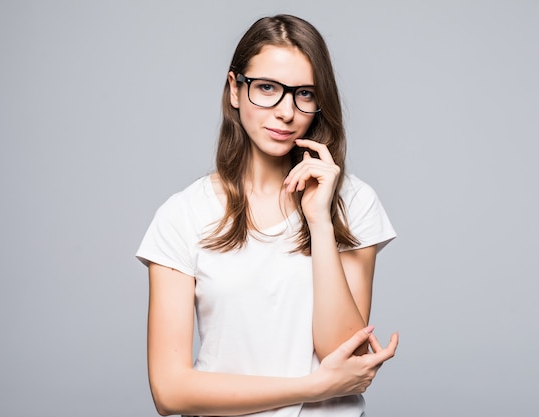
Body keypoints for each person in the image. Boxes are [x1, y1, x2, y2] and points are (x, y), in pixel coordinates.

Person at [136, 14, 399, 417]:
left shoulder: (353, 202)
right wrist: (313, 387)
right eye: (267, 88)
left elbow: (345, 351)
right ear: (235, 90)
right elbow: (170, 391)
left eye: (305, 94)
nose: (286, 112)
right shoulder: (184, 214)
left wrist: (319, 221)